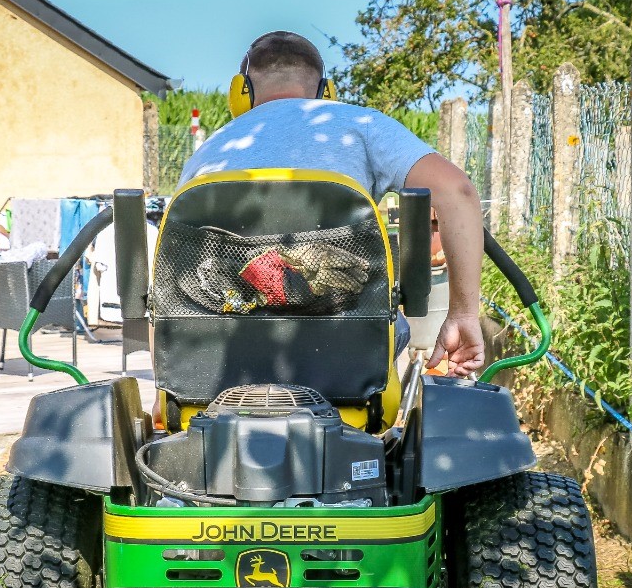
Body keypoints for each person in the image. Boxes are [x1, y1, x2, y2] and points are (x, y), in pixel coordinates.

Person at [178, 31, 486, 377]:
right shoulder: (362, 126)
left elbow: (175, 265)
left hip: (224, 354)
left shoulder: (211, 152)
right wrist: (462, 315)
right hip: (349, 353)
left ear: (241, 92)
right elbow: (457, 192)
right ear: (326, 91)